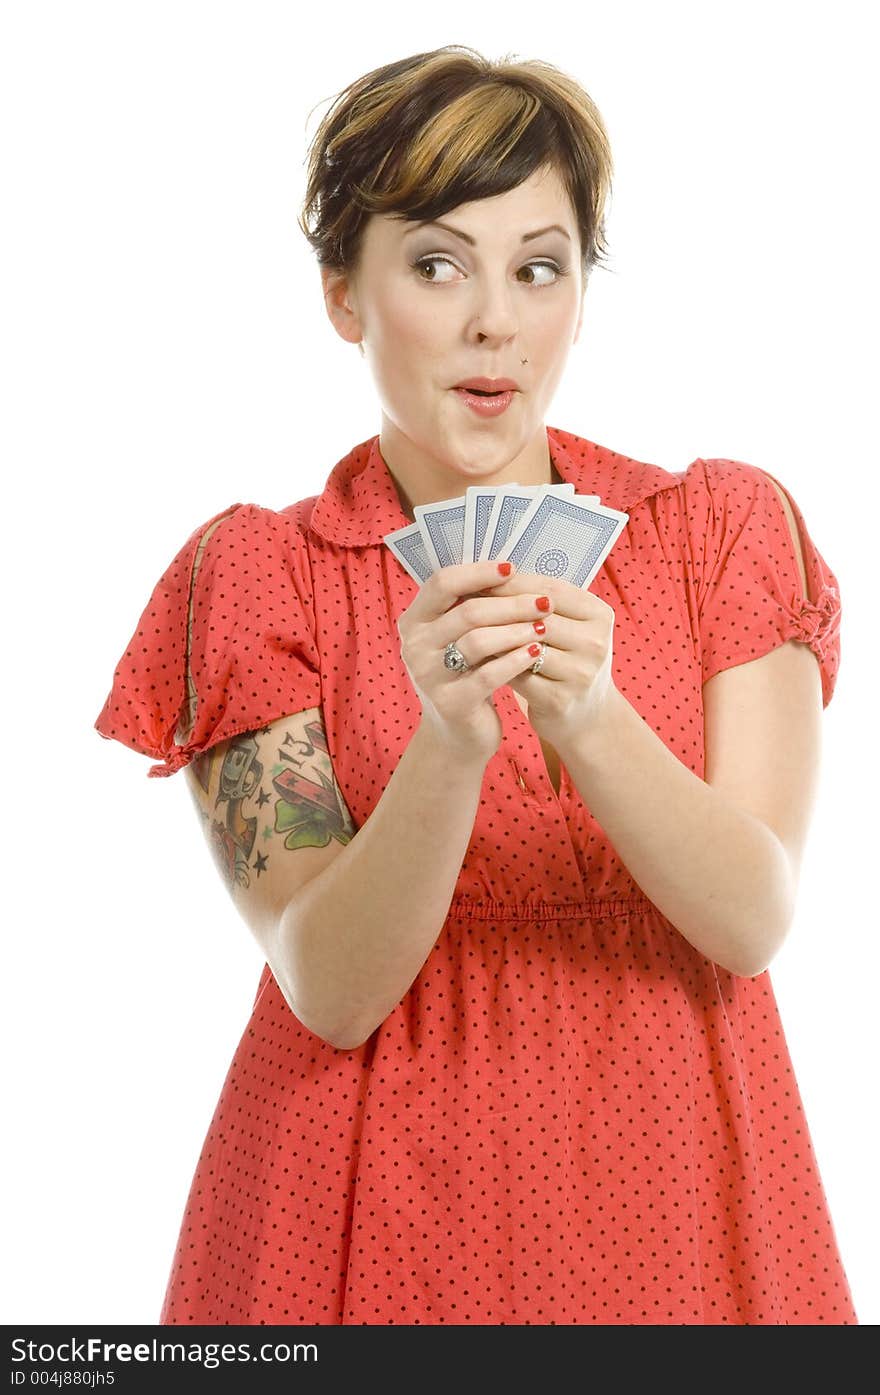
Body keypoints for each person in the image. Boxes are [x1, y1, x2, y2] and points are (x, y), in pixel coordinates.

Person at [94, 44, 857, 1325]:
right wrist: (450, 741)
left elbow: (752, 920)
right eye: (437, 264)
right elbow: (327, 986)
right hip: (356, 1192)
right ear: (344, 292)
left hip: (679, 1184)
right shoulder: (258, 575)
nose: (493, 319)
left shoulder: (720, 529)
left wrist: (589, 716)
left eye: (538, 268)